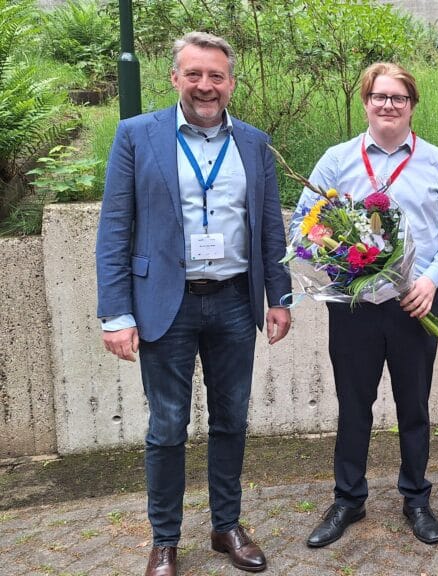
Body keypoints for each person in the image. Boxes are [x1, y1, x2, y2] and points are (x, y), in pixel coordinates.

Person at [95, 32, 292, 576]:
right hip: (166, 305)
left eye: (217, 76)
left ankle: (225, 526)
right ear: (175, 78)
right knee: (167, 426)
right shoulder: (137, 135)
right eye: (195, 74)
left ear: (231, 83)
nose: (206, 86)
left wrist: (280, 297)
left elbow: (269, 228)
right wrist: (116, 313)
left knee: (231, 421)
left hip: (233, 303)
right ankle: (164, 540)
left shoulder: (254, 142)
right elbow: (115, 229)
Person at [296, 62, 438, 548]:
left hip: (415, 306)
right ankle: (348, 499)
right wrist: (341, 264)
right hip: (354, 307)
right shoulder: (336, 160)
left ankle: (416, 497)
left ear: (412, 104)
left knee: (413, 406)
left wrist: (432, 280)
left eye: (398, 98)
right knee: (354, 406)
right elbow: (304, 226)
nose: (388, 105)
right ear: (366, 102)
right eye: (379, 96)